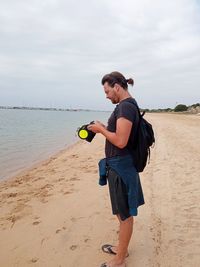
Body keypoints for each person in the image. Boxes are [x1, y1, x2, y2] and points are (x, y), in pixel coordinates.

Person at [87, 71, 145, 267]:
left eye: (107, 91)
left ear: (117, 87)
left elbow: (120, 141)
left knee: (125, 214)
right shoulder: (126, 106)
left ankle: (120, 259)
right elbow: (121, 136)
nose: (106, 95)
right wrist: (104, 127)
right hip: (120, 166)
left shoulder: (126, 107)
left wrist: (101, 130)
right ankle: (123, 249)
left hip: (122, 168)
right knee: (121, 212)